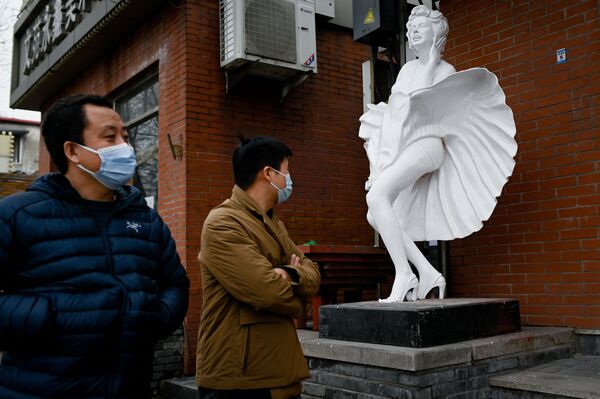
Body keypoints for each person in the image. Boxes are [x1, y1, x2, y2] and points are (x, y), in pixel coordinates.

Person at [0, 94, 190, 398]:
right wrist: (49, 316)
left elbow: (176, 283)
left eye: (125, 137)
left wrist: (154, 318)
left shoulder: (145, 219)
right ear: (73, 151)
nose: (125, 147)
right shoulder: (15, 215)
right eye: (109, 137)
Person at [359, 6, 517, 302]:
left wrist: (431, 63)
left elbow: (420, 106)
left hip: (428, 146)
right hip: (404, 146)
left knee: (377, 197)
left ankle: (404, 274)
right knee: (375, 214)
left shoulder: (445, 71)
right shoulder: (407, 70)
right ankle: (427, 271)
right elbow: (397, 116)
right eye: (411, 27)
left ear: (437, 34)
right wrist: (378, 167)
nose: (413, 31)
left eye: (421, 26)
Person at [196, 136, 321, 399]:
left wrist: (288, 273)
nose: (288, 179)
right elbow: (267, 292)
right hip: (239, 379)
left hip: (279, 370)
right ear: (268, 173)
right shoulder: (223, 222)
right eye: (286, 171)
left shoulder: (273, 223)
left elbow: (313, 273)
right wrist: (299, 300)